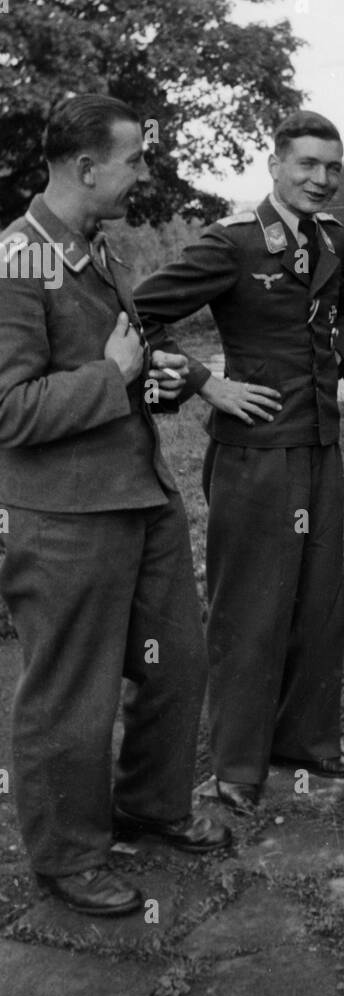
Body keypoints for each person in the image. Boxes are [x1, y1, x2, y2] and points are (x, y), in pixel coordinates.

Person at [0, 93, 230, 918]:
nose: (143, 173)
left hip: (139, 495)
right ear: (85, 165)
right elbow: (9, 409)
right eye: (133, 159)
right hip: (66, 517)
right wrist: (116, 378)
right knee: (72, 690)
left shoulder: (95, 250)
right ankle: (66, 857)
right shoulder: (17, 261)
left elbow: (117, 362)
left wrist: (154, 385)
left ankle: (152, 804)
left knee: (177, 660)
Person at [135, 111, 344, 814]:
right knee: (250, 610)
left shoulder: (333, 237)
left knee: (318, 604)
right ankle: (235, 767)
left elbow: (341, 306)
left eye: (331, 167)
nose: (320, 179)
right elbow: (138, 312)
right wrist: (207, 383)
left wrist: (336, 345)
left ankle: (307, 744)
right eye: (307, 165)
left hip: (320, 446)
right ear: (275, 163)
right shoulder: (231, 243)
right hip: (256, 457)